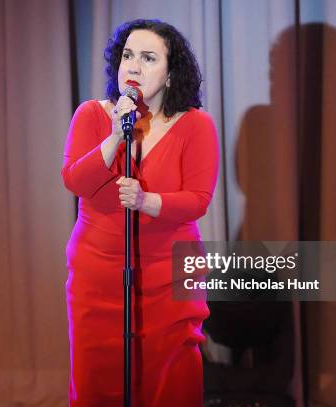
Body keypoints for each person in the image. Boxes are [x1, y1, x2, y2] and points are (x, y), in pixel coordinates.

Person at [62, 19, 219, 406]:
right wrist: (116, 136)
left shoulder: (195, 125)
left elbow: (198, 199)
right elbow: (75, 181)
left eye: (148, 58)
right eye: (127, 56)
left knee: (169, 379)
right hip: (97, 275)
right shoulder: (92, 116)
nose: (133, 66)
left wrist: (148, 202)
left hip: (168, 276)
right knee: (97, 379)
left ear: (170, 74)